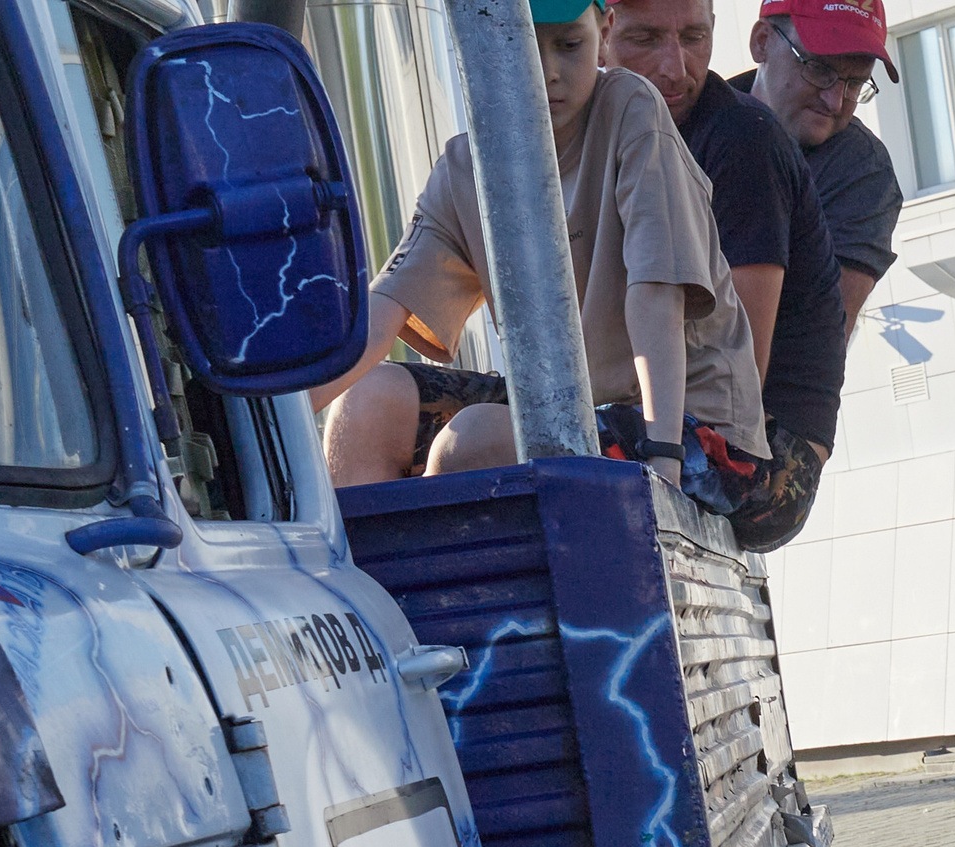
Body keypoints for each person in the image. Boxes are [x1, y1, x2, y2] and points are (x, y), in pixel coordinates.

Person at [311, 0, 767, 515]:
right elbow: (382, 311)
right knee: (366, 403)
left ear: (605, 33)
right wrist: (268, 412)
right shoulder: (466, 165)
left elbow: (656, 294)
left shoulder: (630, 108)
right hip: (565, 411)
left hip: (691, 430)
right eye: (520, 46)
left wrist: (664, 462)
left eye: (568, 45)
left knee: (472, 442)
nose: (547, 71)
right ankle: (370, 567)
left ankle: (452, 566)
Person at [601, 0, 844, 549]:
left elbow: (742, 377)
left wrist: (661, 451)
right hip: (649, 404)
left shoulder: (741, 139)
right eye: (645, 39)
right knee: (413, 404)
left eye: (694, 38)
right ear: (602, 32)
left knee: (521, 437)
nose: (675, 67)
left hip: (766, 456)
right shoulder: (594, 129)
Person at [736, 0, 904, 342]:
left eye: (855, 84)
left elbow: (818, 342)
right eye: (819, 70)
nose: (835, 101)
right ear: (762, 42)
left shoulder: (861, 170)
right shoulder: (690, 120)